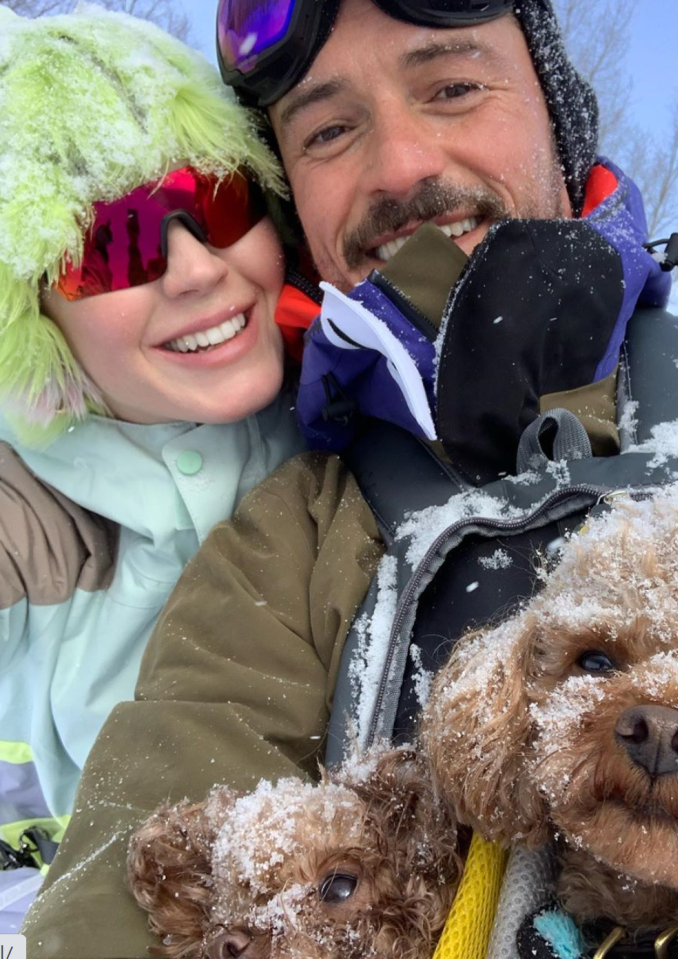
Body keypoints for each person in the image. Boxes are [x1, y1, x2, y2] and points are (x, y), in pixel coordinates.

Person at [21, 0, 678, 955]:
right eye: (329, 130)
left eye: (454, 87)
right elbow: (129, 886)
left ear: (558, 115)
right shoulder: (279, 551)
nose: (398, 166)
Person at [0, 5, 314, 932]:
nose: (193, 269)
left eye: (217, 200)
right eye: (114, 245)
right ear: (30, 315)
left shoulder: (359, 407)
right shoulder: (28, 520)